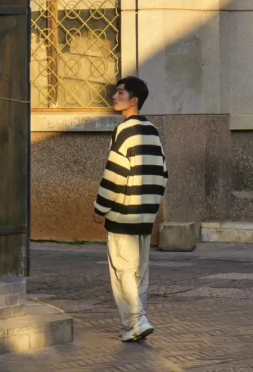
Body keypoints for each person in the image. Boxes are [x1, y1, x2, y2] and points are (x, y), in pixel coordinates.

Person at [92, 76, 168, 343]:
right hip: (146, 214)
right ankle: (133, 326)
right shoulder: (152, 130)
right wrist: (152, 207)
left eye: (121, 93)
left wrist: (100, 207)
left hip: (123, 213)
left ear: (134, 100)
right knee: (138, 272)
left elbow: (115, 173)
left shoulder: (124, 130)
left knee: (122, 271)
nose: (114, 97)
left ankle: (137, 320)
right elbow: (163, 172)